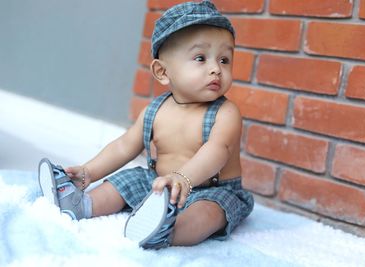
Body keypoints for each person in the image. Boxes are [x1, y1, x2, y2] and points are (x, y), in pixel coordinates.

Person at [38, 0, 254, 249]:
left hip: (212, 189)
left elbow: (217, 151)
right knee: (125, 180)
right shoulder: (156, 110)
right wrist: (89, 172)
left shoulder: (226, 113)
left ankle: (166, 231)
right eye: (200, 58)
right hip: (160, 183)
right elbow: (123, 147)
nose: (216, 69)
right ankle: (80, 203)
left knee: (208, 214)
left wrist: (183, 178)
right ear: (162, 72)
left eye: (225, 60)